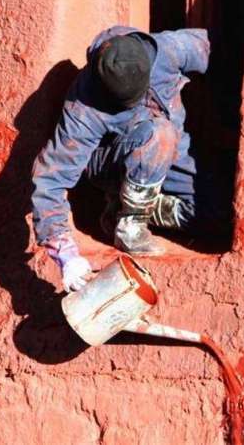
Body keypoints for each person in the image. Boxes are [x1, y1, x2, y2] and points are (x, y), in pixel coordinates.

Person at [31, 25, 211, 291]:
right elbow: (50, 179)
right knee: (159, 132)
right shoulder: (84, 106)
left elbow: (215, 47)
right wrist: (66, 256)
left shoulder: (170, 50)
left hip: (171, 154)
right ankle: (130, 226)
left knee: (214, 216)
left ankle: (124, 210)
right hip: (117, 163)